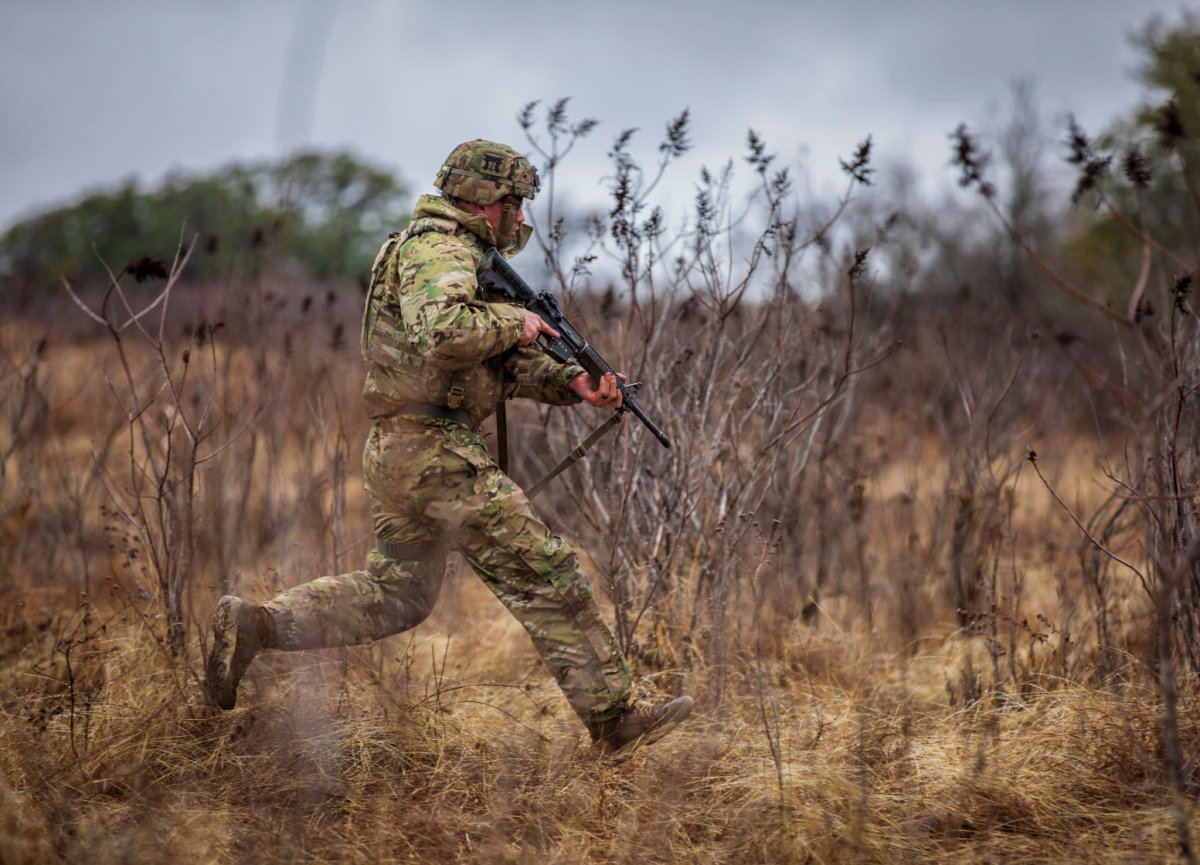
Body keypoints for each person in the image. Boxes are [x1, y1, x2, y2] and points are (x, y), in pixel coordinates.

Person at [204, 139, 693, 759]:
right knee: (547, 572)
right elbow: (443, 334)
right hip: (433, 449)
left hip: (401, 448)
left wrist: (573, 382)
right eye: (516, 203)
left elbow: (486, 363)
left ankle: (255, 625)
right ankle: (615, 717)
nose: (522, 218)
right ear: (488, 199)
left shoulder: (448, 253)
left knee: (398, 595)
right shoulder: (441, 250)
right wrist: (518, 323)